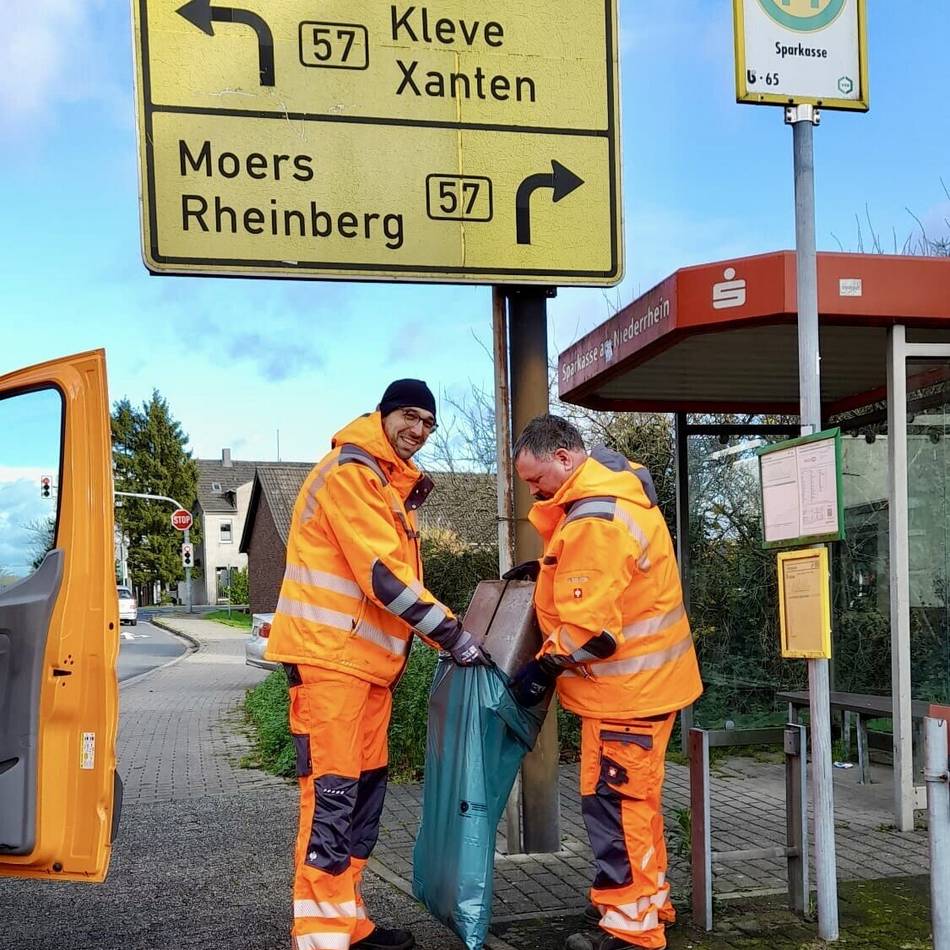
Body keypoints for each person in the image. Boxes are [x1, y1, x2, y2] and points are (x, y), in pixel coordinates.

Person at [265, 379, 488, 950]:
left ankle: (347, 920)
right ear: (383, 414)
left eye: (429, 423)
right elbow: (384, 577)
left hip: (364, 669)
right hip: (331, 664)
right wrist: (452, 636)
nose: (419, 430)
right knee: (333, 797)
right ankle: (320, 935)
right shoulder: (352, 474)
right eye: (410, 416)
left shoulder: (384, 483)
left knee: (362, 797)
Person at [506, 414, 702, 950]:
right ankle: (649, 905)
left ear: (564, 457)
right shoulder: (614, 497)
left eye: (535, 478)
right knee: (637, 804)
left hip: (625, 695)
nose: (533, 490)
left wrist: (542, 668)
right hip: (646, 688)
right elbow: (611, 583)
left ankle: (630, 930)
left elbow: (592, 633)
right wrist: (547, 569)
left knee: (615, 807)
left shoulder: (594, 519)